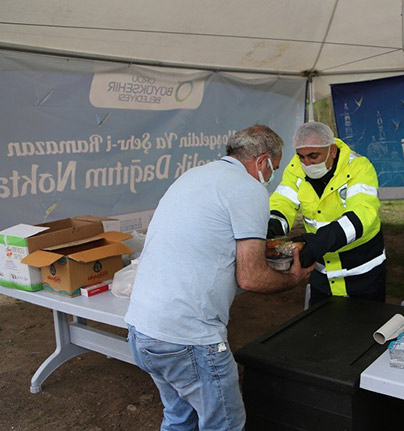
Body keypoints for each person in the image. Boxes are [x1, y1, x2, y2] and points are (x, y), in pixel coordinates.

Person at [124, 125, 313, 431]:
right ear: (263, 161)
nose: (271, 176)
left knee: (179, 418)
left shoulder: (194, 176)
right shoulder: (249, 189)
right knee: (225, 424)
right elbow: (251, 277)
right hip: (188, 338)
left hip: (142, 328)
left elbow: (210, 244)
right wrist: (293, 278)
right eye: (274, 168)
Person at [268, 121, 386, 306]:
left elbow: (363, 214)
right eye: (301, 156)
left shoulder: (359, 167)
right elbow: (283, 202)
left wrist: (315, 244)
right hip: (324, 273)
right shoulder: (295, 169)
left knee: (364, 331)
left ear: (331, 150)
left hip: (363, 274)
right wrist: (272, 226)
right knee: (322, 329)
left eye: (313, 156)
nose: (306, 163)